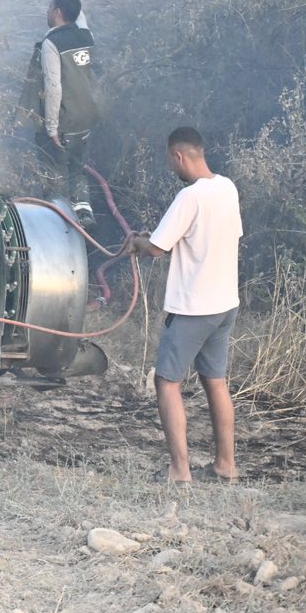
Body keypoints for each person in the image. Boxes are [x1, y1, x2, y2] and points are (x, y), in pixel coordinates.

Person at [130, 127, 242, 485]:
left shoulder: (189, 197)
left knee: (167, 382)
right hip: (226, 304)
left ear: (178, 156)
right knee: (216, 382)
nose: (172, 167)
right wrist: (155, 239)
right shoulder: (227, 188)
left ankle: (179, 471)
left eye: (170, 160)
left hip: (194, 307)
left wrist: (137, 242)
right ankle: (226, 465)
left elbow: (157, 249)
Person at [27, 0, 101, 226]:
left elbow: (53, 87)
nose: (47, 12)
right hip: (87, 115)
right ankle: (85, 214)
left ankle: (55, 219)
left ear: (57, 12)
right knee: (78, 168)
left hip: (65, 118)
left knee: (52, 170)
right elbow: (79, 16)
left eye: (50, 8)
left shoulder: (51, 43)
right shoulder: (85, 35)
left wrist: (51, 128)